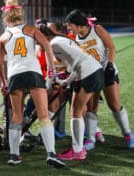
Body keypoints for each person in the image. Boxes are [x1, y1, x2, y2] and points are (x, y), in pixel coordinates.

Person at [0, 0, 65, 168]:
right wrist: (51, 69)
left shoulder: (3, 37)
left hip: (14, 75)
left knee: (17, 117)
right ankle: (51, 154)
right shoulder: (31, 29)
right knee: (43, 114)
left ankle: (14, 156)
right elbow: (47, 47)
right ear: (20, 13)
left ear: (6, 17)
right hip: (33, 73)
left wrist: (4, 82)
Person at [65, 9, 134, 150]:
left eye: (70, 24)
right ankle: (91, 139)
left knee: (114, 104)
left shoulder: (97, 29)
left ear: (78, 24)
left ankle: (128, 135)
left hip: (106, 70)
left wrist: (109, 66)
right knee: (91, 107)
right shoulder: (76, 37)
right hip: (91, 74)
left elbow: (112, 48)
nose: (68, 27)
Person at [39, 24, 104, 161]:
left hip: (88, 73)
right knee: (76, 112)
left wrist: (49, 86)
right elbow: (76, 63)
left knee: (76, 113)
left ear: (44, 35)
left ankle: (78, 151)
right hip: (91, 72)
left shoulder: (53, 44)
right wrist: (66, 82)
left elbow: (71, 65)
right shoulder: (60, 40)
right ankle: (78, 149)